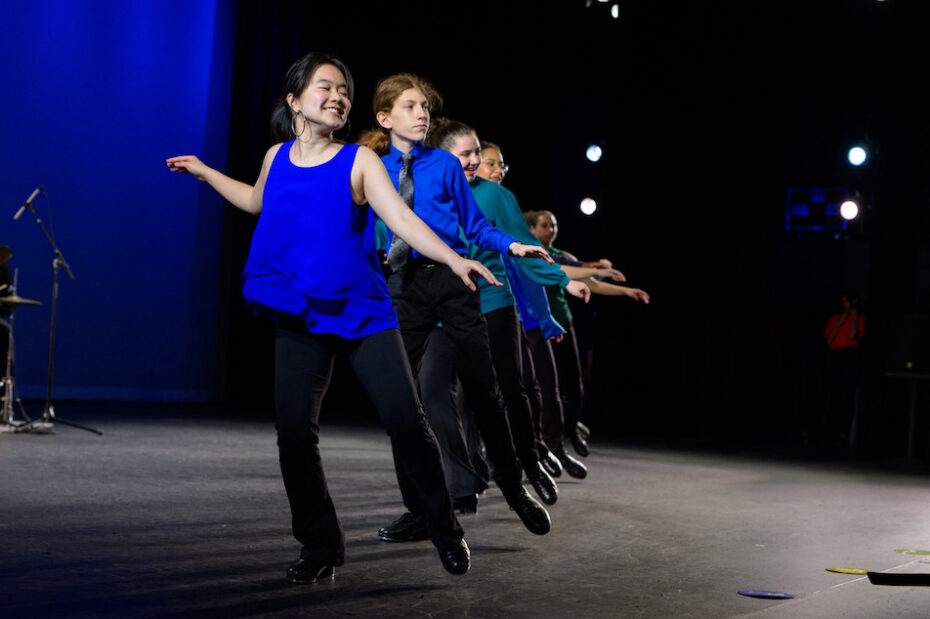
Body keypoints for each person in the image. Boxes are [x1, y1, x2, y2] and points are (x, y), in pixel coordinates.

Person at [165, 53, 489, 582]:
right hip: (300, 313)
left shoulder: (358, 160)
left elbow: (401, 218)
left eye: (344, 90)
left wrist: (453, 258)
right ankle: (320, 546)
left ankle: (443, 527)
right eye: (326, 87)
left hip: (362, 313)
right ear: (295, 100)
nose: (338, 96)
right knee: (294, 433)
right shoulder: (277, 156)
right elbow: (254, 202)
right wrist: (204, 173)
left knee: (407, 424)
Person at [356, 73, 553, 544]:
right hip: (401, 285)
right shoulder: (371, 168)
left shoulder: (444, 164)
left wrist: (513, 246)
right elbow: (364, 231)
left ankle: (512, 488)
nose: (421, 113)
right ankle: (421, 510)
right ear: (385, 117)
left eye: (424, 106)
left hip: (453, 276)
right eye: (409, 106)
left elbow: (476, 226)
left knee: (485, 393)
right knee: (403, 403)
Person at [428, 118, 595, 505]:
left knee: (509, 387)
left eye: (478, 156)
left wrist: (563, 281)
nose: (476, 162)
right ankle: (465, 479)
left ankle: (530, 462)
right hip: (445, 307)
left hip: (493, 303)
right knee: (448, 397)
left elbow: (522, 250)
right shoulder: (427, 191)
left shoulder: (496, 197)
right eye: (466, 154)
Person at [526, 209, 649, 458]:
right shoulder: (526, 252)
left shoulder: (563, 255)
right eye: (545, 225)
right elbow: (563, 270)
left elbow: (584, 274)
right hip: (536, 325)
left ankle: (569, 431)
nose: (551, 230)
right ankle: (543, 442)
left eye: (554, 225)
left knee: (574, 387)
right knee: (543, 387)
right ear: (531, 229)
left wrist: (624, 290)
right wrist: (597, 268)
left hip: (563, 322)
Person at [822, 290, 864, 443]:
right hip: (836, 354)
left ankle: (843, 432)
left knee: (847, 393)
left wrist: (854, 317)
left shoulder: (859, 318)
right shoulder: (835, 318)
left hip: (850, 355)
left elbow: (854, 335)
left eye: (847, 301)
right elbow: (828, 340)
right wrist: (842, 320)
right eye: (843, 302)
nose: (844, 304)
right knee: (831, 391)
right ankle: (826, 429)